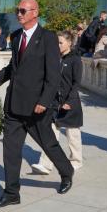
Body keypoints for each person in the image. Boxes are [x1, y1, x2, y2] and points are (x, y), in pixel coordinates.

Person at [0, 0, 74, 208]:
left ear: (35, 13)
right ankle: (12, 192)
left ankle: (66, 172)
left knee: (48, 144)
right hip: (14, 104)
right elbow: (13, 68)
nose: (19, 14)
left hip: (36, 107)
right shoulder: (15, 37)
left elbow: (53, 75)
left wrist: (45, 100)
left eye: (23, 10)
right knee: (11, 150)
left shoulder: (48, 37)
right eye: (18, 10)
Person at [31, 30, 84, 174]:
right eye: (56, 42)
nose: (58, 45)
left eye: (60, 42)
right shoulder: (54, 58)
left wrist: (70, 101)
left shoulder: (75, 59)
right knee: (50, 134)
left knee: (73, 135)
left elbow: (77, 83)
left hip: (70, 105)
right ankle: (46, 164)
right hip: (54, 104)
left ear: (69, 43)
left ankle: (76, 161)